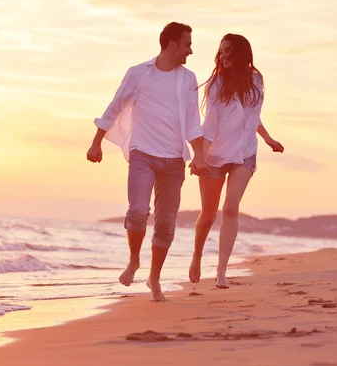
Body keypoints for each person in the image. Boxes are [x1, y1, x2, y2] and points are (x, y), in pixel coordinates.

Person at [86, 22, 209, 301]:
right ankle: (133, 260)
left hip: (174, 161)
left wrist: (198, 155)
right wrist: (96, 142)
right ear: (172, 44)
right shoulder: (139, 73)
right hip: (143, 153)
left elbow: (193, 120)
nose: (191, 50)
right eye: (187, 44)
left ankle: (154, 277)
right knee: (138, 211)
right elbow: (115, 106)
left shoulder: (187, 79)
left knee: (166, 223)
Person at [189, 33, 284, 288]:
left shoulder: (256, 80)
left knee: (230, 208)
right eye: (221, 51)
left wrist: (268, 138)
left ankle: (221, 270)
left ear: (241, 54)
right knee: (208, 215)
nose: (223, 55)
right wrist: (199, 156)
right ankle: (197, 256)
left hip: (245, 152)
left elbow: (253, 117)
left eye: (228, 51)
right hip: (215, 154)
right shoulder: (216, 85)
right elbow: (210, 125)